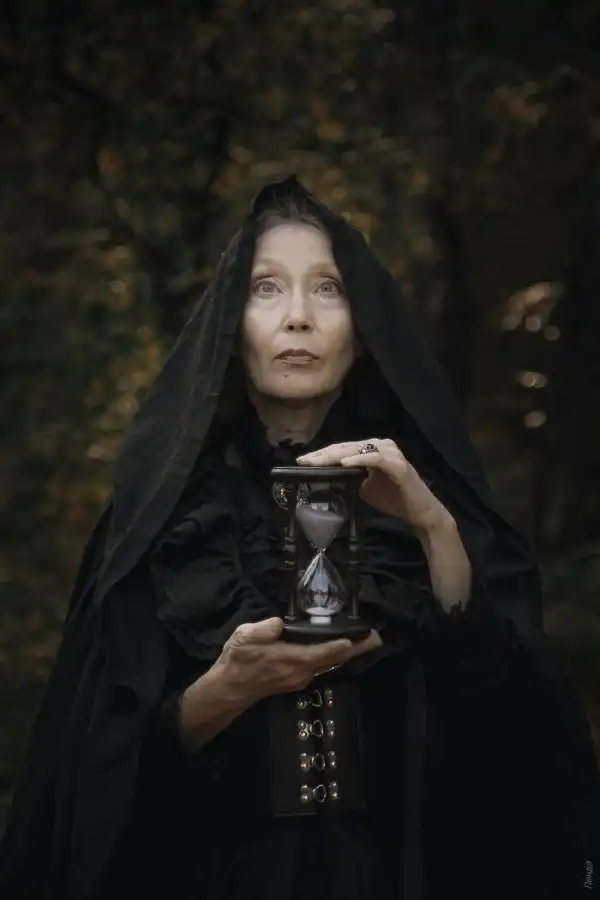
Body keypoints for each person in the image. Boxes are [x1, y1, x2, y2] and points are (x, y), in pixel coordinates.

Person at [0, 176, 599, 900]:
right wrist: (226, 690)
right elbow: (91, 777)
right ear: (232, 325)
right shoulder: (165, 522)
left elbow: (518, 741)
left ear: (364, 329)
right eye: (266, 289)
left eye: (328, 289)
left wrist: (435, 527)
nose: (297, 318)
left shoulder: (426, 501)